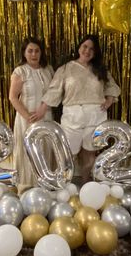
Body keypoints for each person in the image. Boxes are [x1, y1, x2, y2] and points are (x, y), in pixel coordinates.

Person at [32, 34, 121, 184]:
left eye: (91, 49)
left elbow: (111, 86)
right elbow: (54, 90)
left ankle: (86, 184)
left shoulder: (99, 69)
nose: (87, 51)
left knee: (89, 154)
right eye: (85, 46)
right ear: (79, 47)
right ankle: (64, 184)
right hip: (72, 115)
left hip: (95, 114)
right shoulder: (66, 68)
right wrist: (42, 108)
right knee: (67, 154)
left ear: (95, 52)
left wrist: (109, 100)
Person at [9, 37, 54, 193]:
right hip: (26, 118)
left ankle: (45, 184)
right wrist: (28, 116)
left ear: (41, 52)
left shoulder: (48, 69)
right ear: (24, 53)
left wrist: (43, 108)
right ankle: (27, 188)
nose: (34, 54)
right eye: (30, 51)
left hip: (46, 116)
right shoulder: (20, 71)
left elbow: (54, 93)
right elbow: (13, 97)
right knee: (29, 151)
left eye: (37, 50)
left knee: (46, 149)